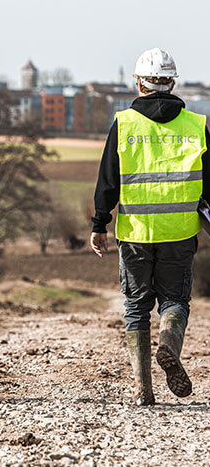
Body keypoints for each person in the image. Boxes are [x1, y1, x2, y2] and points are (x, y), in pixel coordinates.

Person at [90, 48, 210, 406]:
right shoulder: (197, 125)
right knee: (175, 300)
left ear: (139, 82)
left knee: (136, 306)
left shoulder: (124, 123)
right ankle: (168, 344)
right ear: (172, 82)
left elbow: (107, 180)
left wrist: (99, 223)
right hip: (180, 230)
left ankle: (143, 388)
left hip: (136, 233)